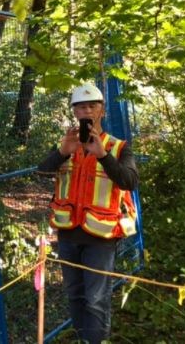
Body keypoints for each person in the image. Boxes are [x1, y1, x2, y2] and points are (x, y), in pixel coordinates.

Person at [38, 83, 138, 344]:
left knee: (96, 299)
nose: (86, 111)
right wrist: (62, 152)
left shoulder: (117, 147)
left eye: (91, 106)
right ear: (74, 113)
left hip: (101, 237)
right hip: (69, 233)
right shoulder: (66, 144)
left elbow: (129, 181)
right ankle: (84, 339)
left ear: (101, 110)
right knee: (74, 294)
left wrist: (103, 155)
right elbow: (41, 171)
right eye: (80, 107)